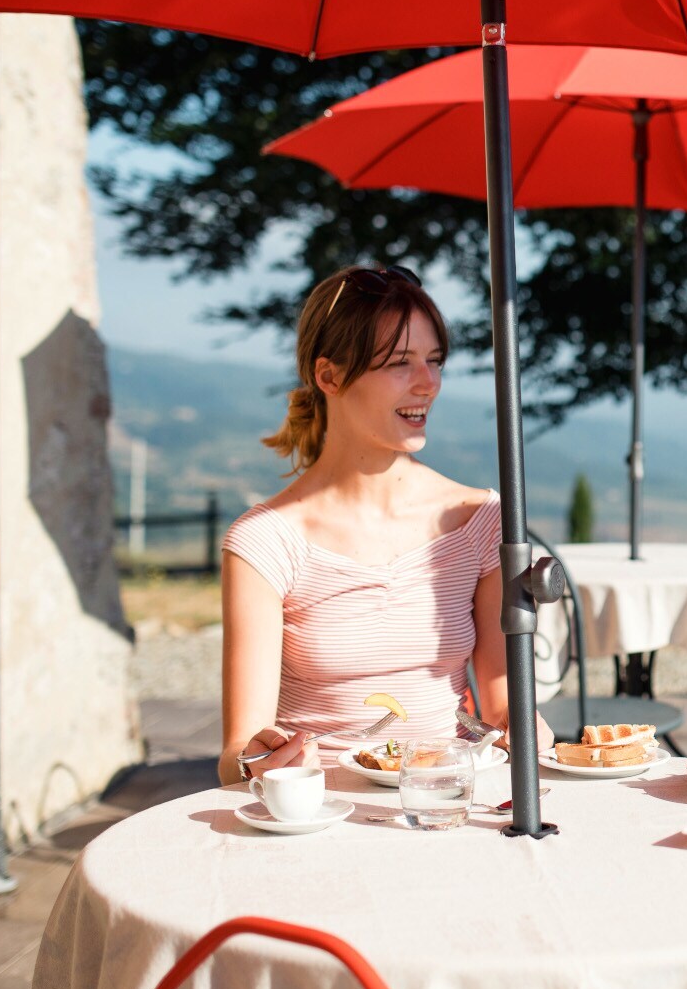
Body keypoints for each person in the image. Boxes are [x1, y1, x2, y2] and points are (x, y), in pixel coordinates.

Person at [218, 264, 549, 786]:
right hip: (321, 812)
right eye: (400, 363)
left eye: (434, 360)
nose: (429, 383)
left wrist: (522, 726)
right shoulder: (265, 542)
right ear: (329, 377)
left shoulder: (482, 520)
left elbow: (500, 706)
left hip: (448, 796)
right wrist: (259, 761)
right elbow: (238, 751)